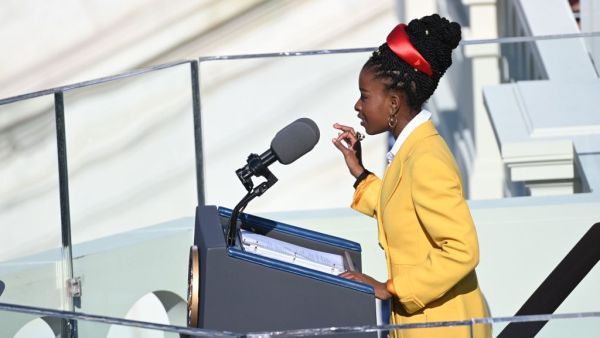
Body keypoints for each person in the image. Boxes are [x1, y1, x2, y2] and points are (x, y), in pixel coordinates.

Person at [332, 14, 491, 338]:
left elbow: (462, 249)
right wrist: (361, 174)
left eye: (365, 95)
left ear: (392, 103)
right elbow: (401, 206)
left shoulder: (426, 159)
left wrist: (389, 287)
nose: (357, 106)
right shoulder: (410, 150)